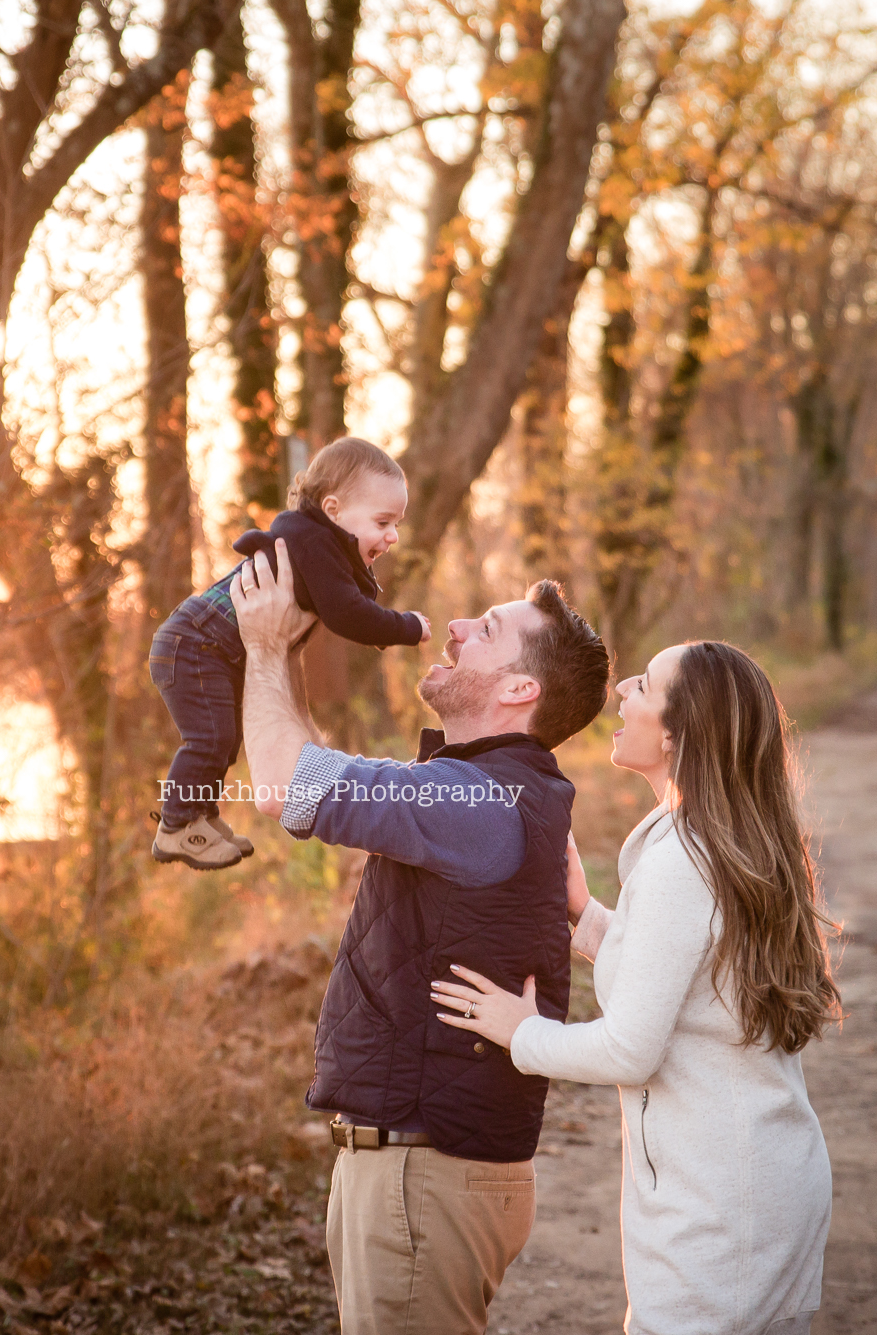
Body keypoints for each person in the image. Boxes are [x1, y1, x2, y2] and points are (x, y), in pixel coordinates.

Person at [229, 541, 611, 1335]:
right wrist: (289, 652)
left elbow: (281, 782)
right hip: (424, 1174)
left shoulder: (475, 801)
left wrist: (262, 646)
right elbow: (308, 766)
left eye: (489, 628)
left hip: (423, 1179)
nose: (458, 626)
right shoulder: (488, 790)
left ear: (519, 688)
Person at [431, 640, 840, 1335]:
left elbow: (629, 1050)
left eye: (644, 685)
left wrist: (521, 1033)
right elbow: (698, 976)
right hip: (758, 1182)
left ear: (678, 733)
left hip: (720, 1208)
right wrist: (587, 917)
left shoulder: (682, 860)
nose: (622, 690)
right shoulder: (715, 841)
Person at [149, 437, 433, 870]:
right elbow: (348, 614)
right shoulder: (313, 543)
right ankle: (176, 826)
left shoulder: (320, 544)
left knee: (223, 739)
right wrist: (406, 626)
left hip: (206, 647)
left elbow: (351, 606)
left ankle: (199, 816)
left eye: (396, 523)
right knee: (210, 739)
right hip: (194, 644)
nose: (392, 535)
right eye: (382, 521)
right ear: (334, 510)